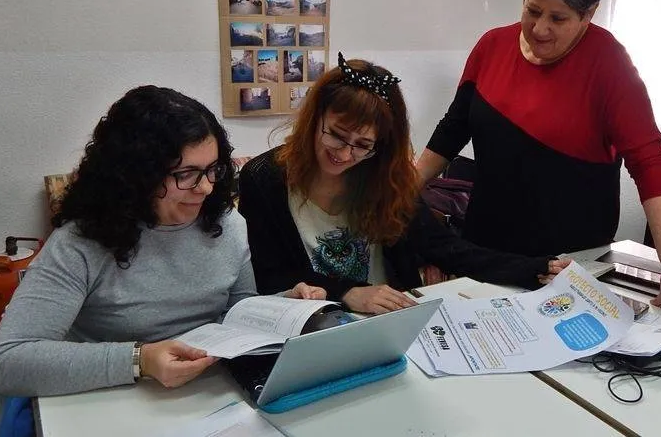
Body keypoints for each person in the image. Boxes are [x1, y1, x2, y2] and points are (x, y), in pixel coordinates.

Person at [415, 0, 661, 327]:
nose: (539, 29)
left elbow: (650, 166)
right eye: (532, 11)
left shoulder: (610, 66)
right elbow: (453, 129)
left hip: (569, 260)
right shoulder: (491, 46)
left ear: (589, 14)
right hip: (487, 245)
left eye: (558, 19)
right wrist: (402, 187)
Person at [0, 85, 322, 398]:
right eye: (186, 174)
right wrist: (140, 360)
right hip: (111, 396)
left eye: (213, 169)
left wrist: (281, 306)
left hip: (206, 393)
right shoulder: (80, 243)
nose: (205, 188)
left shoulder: (227, 225)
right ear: (136, 175)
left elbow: (236, 313)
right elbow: (8, 362)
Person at [238, 54, 570, 314]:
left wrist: (536, 268)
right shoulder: (265, 180)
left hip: (391, 320)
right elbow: (269, 278)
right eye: (335, 135)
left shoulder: (384, 178)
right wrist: (348, 292)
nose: (344, 154)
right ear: (313, 120)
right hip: (315, 325)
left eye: (363, 144)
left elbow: (449, 249)